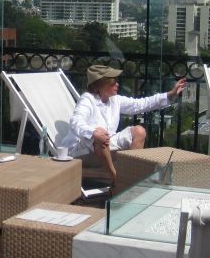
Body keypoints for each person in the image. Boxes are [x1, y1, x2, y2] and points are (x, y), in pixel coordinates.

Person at [59, 65, 187, 185]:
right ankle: (116, 178)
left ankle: (129, 173)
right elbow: (76, 122)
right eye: (113, 82)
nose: (117, 84)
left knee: (139, 131)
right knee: (100, 133)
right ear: (100, 84)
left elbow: (141, 104)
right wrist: (93, 132)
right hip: (82, 152)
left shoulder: (115, 100)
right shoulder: (87, 99)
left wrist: (170, 94)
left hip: (104, 146)